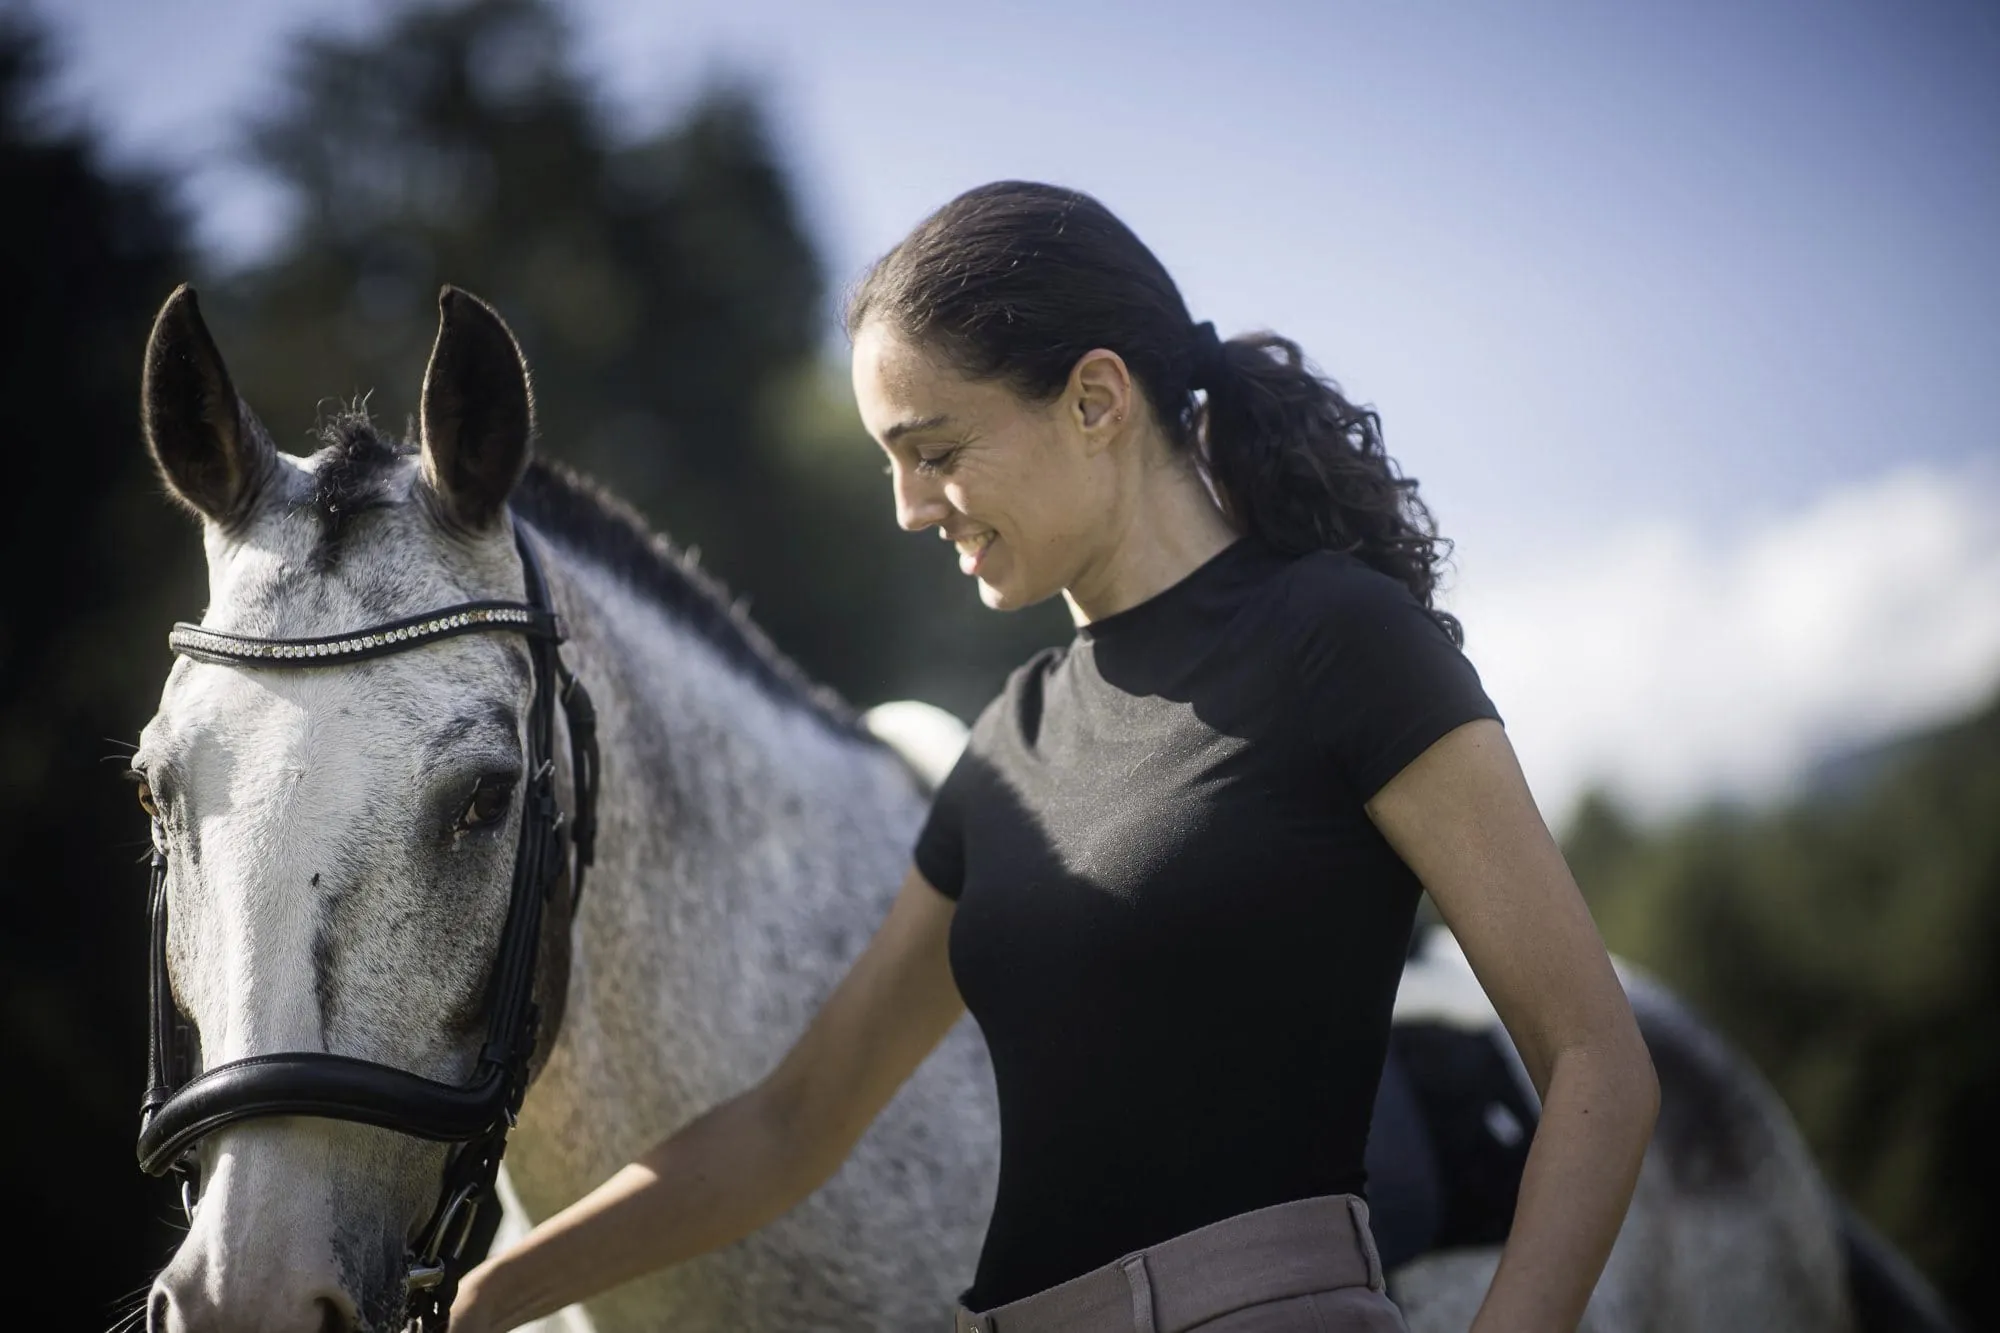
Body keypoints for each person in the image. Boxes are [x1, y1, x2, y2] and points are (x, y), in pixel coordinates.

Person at [451, 181, 1659, 1333]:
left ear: (1094, 400)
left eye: (932, 449)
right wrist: (487, 1296)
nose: (909, 507)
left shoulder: (1338, 640)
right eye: (888, 461)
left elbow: (1596, 1061)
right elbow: (792, 1123)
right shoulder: (1009, 742)